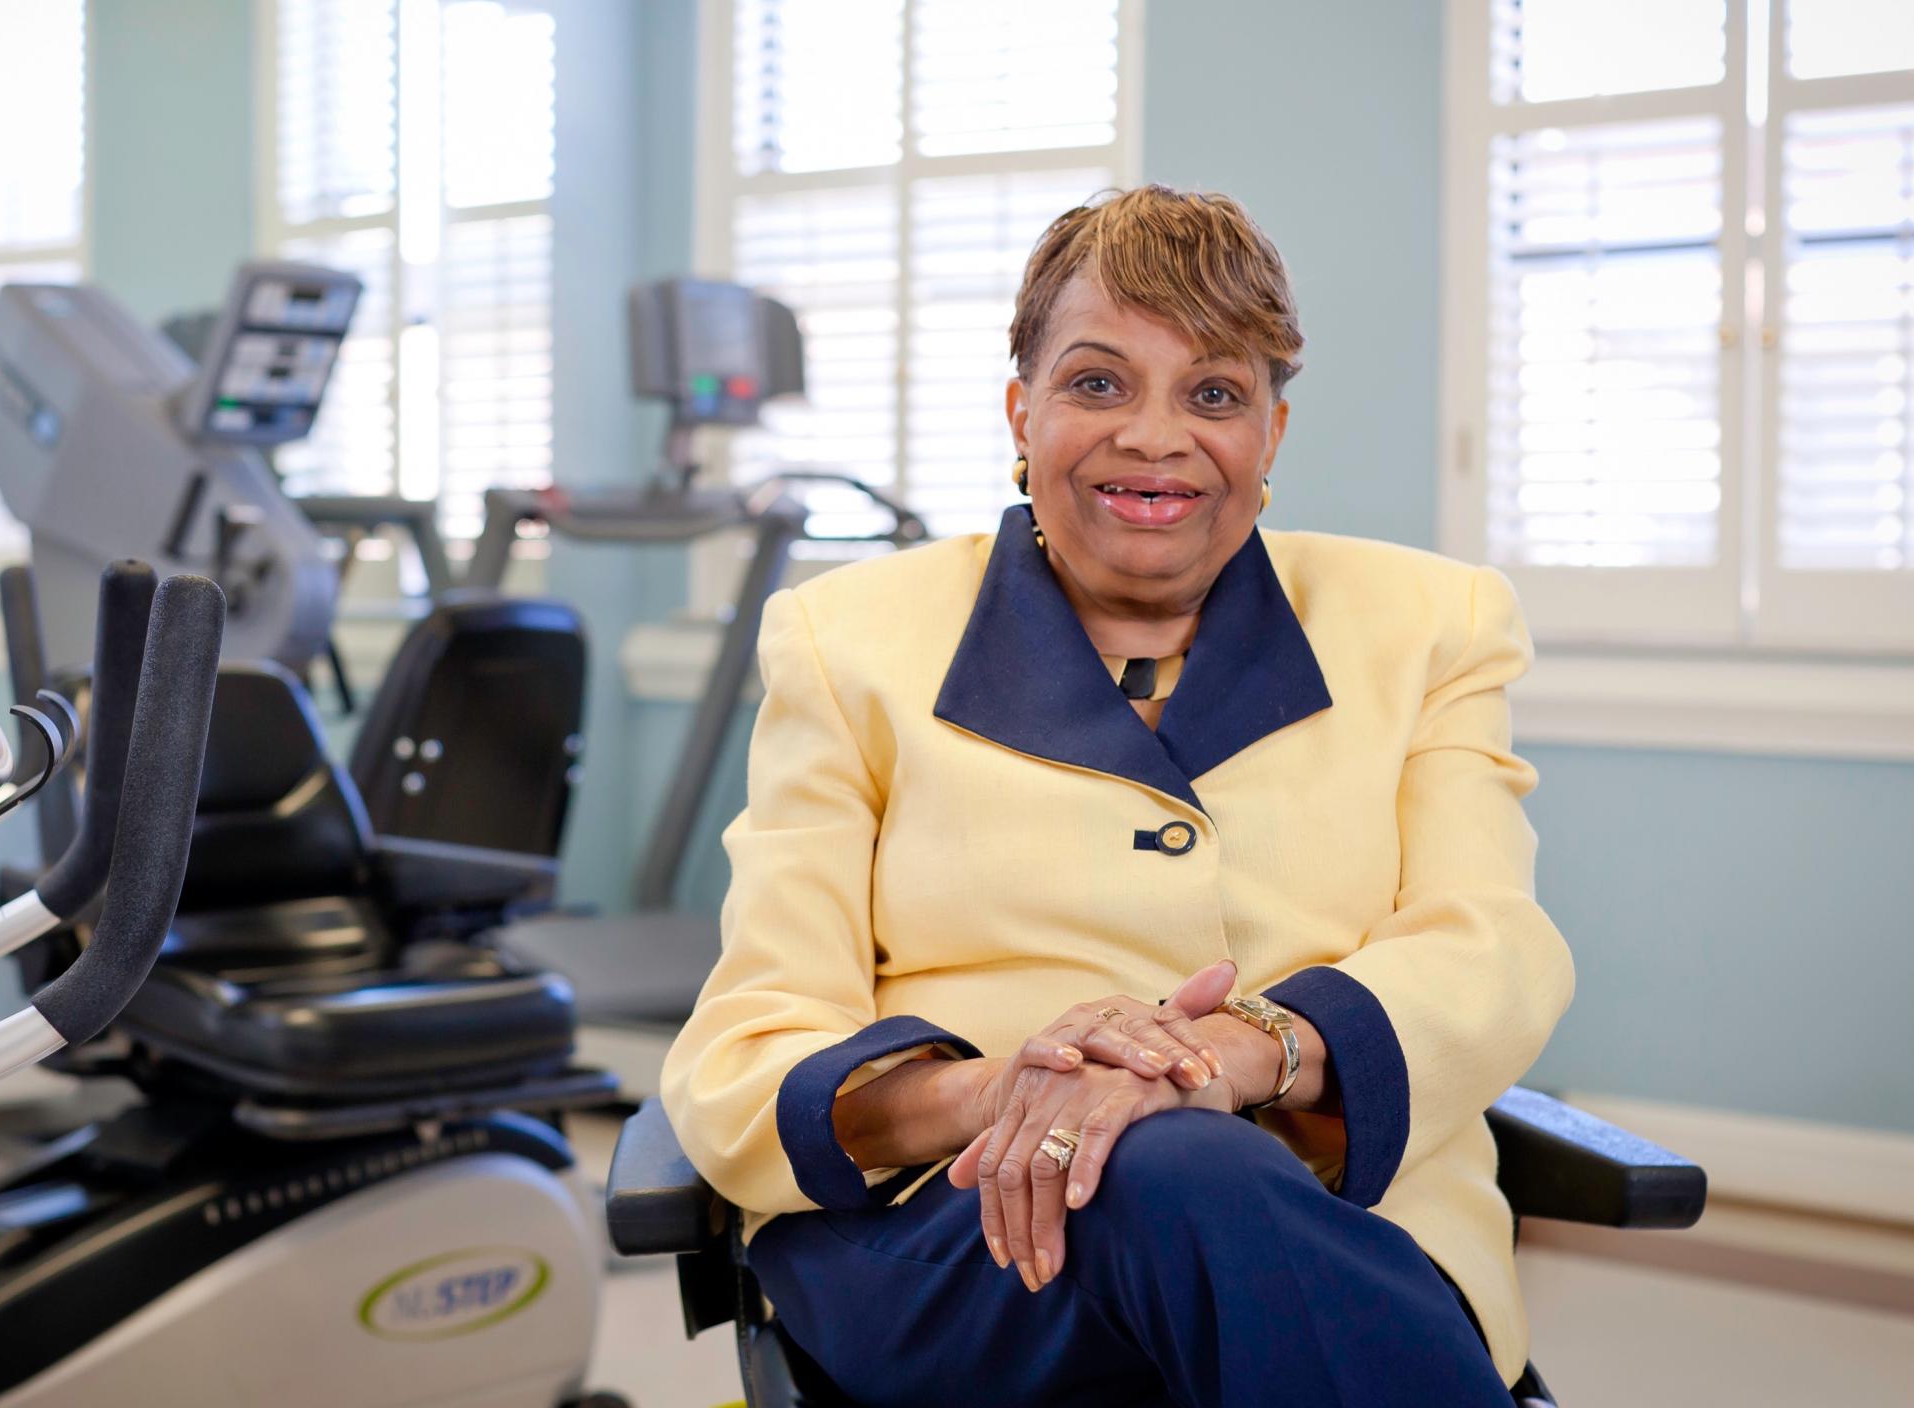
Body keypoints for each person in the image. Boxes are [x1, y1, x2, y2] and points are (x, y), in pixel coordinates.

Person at [659, 185, 1571, 1407]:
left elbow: (1489, 949)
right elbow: (748, 1049)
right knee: (1158, 1162)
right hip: (962, 1242)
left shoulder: (1430, 626)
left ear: (1271, 434)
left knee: (1175, 1155)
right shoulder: (846, 642)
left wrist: (1231, 1055)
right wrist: (1010, 1088)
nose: (1154, 436)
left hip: (1335, 1221)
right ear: (1018, 410)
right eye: (1096, 384)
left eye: (1212, 393)